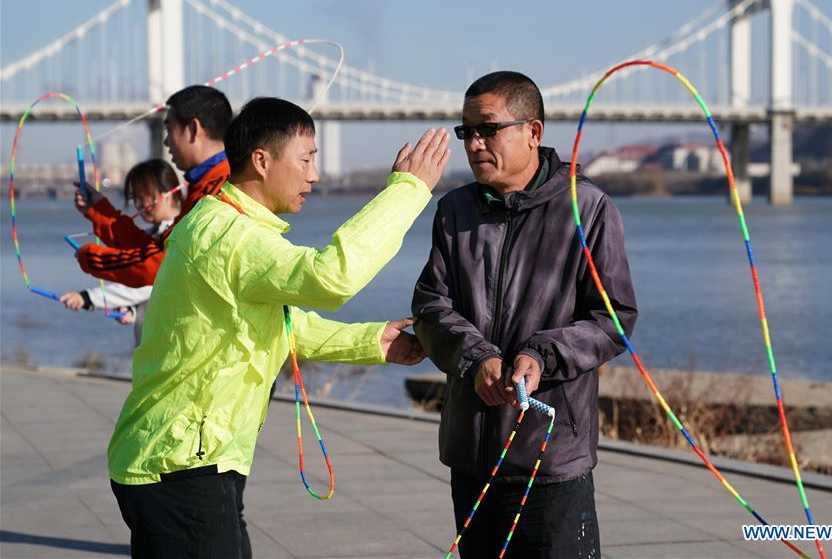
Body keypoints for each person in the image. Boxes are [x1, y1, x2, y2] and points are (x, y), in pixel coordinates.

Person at [108, 97, 450, 559]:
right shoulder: (230, 236)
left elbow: (278, 327)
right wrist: (408, 191)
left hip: (186, 457)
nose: (315, 175)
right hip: (181, 464)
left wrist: (372, 341)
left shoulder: (223, 223)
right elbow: (332, 276)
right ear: (262, 160)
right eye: (306, 159)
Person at [412, 71, 638, 558]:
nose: (474, 144)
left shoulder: (589, 208)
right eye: (466, 131)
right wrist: (476, 360)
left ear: (533, 132)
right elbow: (431, 305)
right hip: (472, 457)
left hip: (552, 458)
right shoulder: (453, 211)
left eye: (488, 129)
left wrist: (540, 355)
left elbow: (613, 318)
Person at [73, 85, 232, 288]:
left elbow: (162, 264)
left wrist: (91, 257)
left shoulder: (219, 192)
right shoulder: (206, 184)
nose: (165, 142)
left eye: (169, 130)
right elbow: (160, 248)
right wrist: (99, 211)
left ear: (193, 129)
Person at [61, 159, 184, 346]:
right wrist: (135, 312)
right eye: (136, 198)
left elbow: (144, 274)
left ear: (167, 193)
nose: (140, 205)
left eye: (145, 197)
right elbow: (159, 292)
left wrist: (87, 297)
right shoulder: (154, 236)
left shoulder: (181, 235)